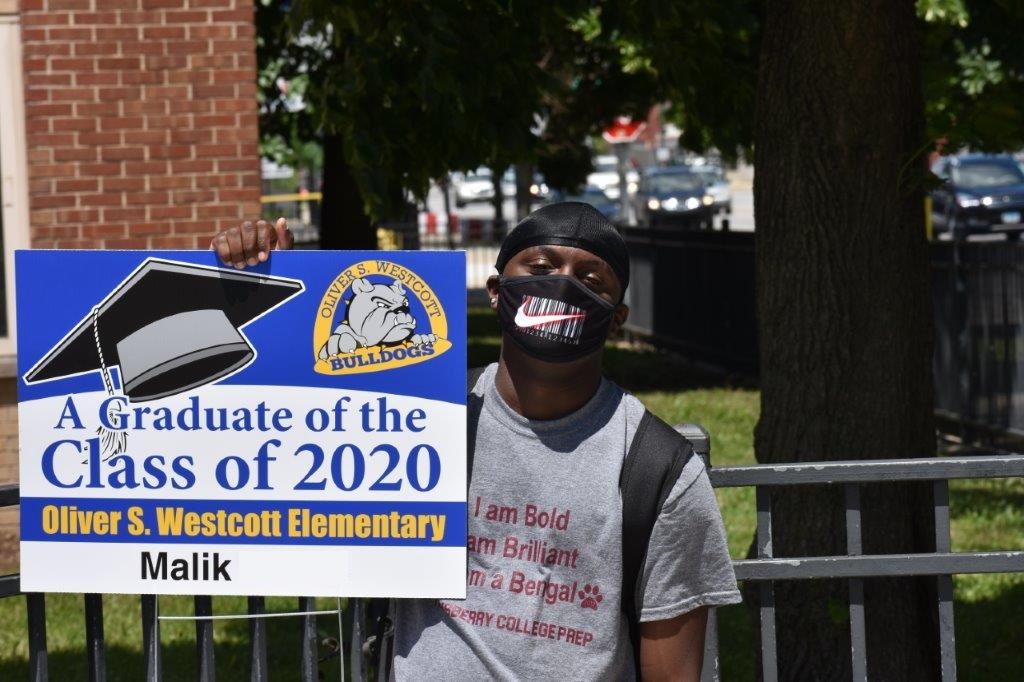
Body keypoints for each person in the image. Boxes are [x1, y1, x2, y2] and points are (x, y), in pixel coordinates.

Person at [211, 203, 740, 680]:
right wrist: (273, 278)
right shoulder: (418, 418)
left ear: (616, 318)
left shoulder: (659, 470)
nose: (561, 285)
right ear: (496, 293)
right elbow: (281, 430)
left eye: (590, 280)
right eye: (541, 269)